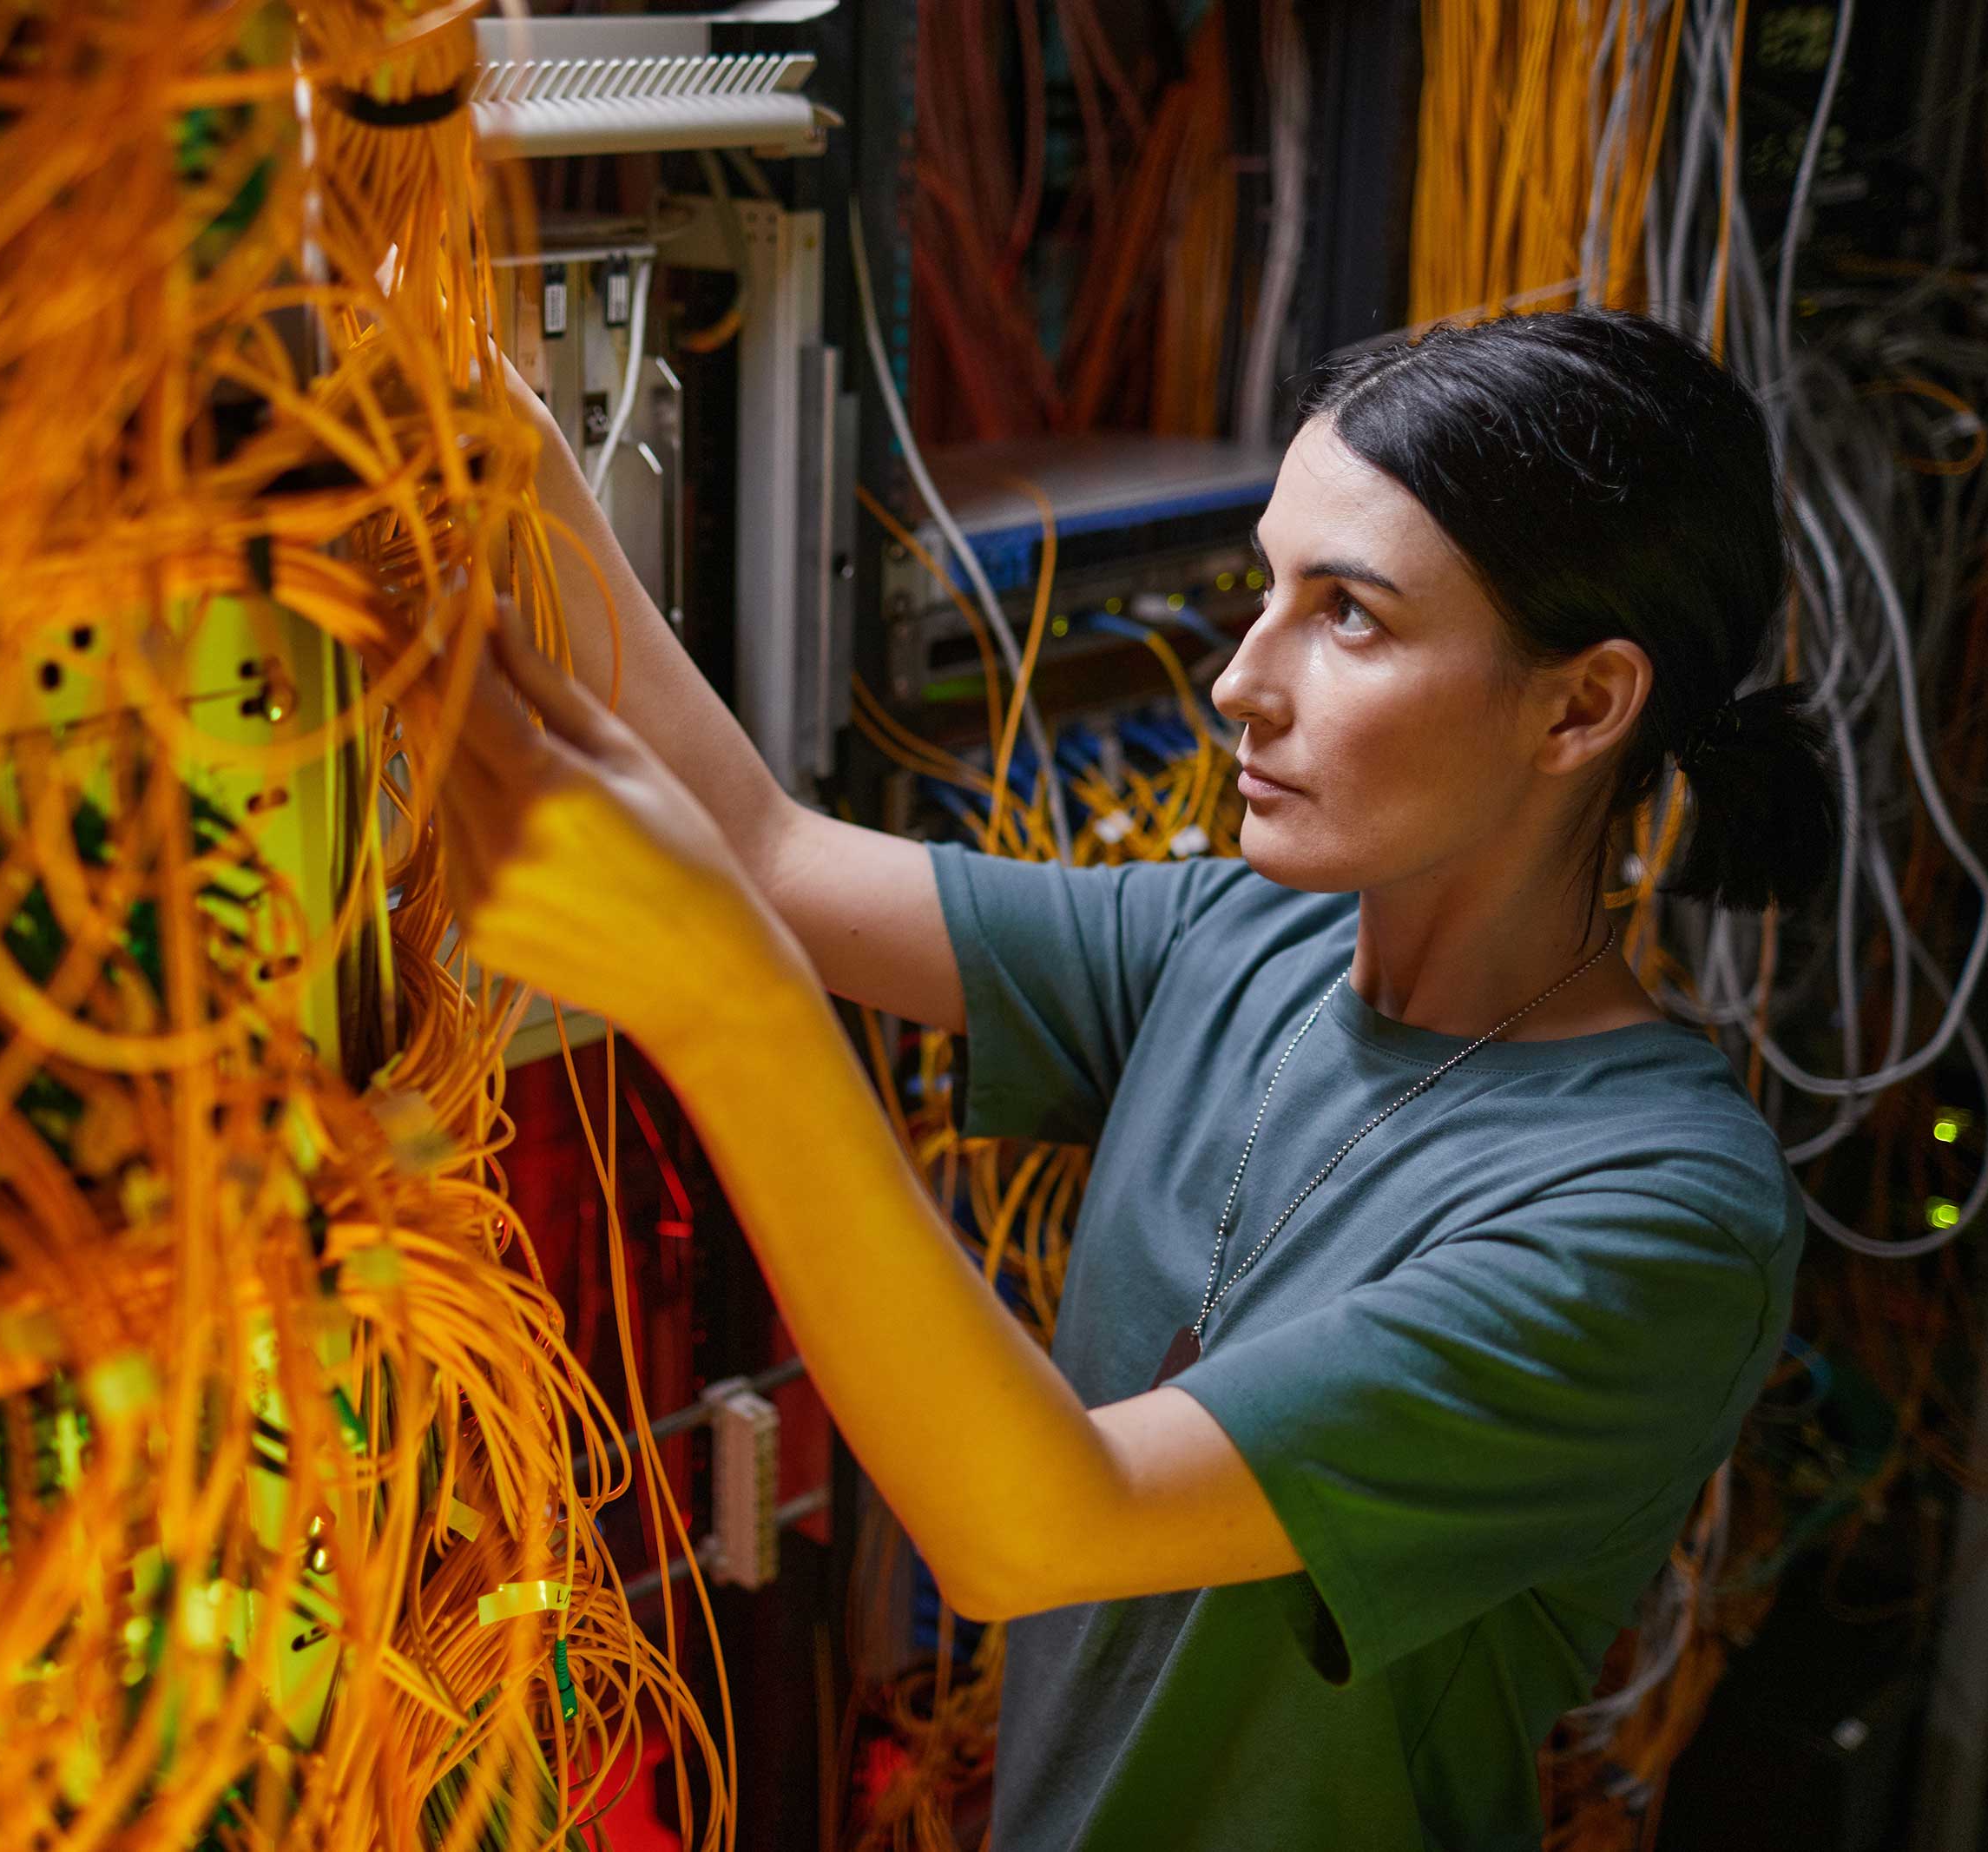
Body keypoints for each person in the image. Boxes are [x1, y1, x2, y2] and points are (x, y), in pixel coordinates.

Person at [435, 307, 1833, 1850]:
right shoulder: (1243, 942)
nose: (1241, 679)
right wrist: (509, 468)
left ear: (1582, 704)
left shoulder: (1659, 1219)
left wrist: (725, 1010)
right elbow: (768, 855)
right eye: (1267, 587)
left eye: (1350, 616)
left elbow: (1034, 1527)